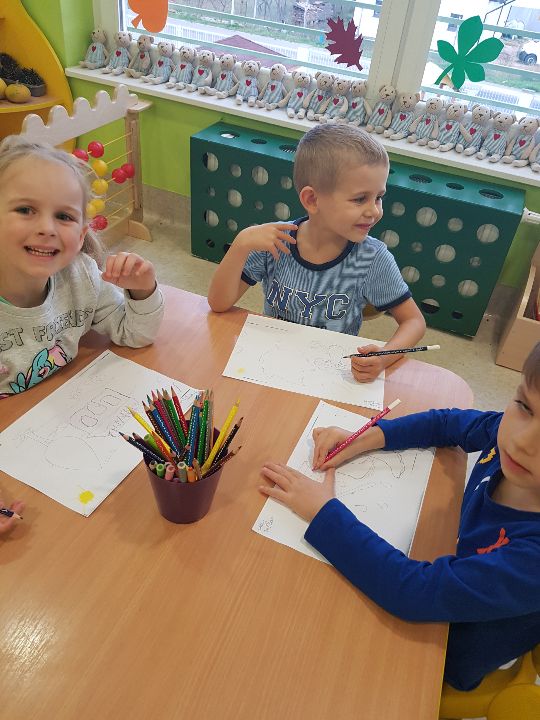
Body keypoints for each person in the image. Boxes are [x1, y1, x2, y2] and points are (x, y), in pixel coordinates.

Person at [259, 342, 540, 691]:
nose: (523, 440)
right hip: (448, 581)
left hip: (444, 656)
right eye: (525, 406)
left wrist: (323, 513)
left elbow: (413, 592)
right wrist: (366, 438)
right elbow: (447, 423)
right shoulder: (510, 440)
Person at [207, 124, 425, 382]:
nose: (374, 211)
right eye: (359, 199)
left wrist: (384, 357)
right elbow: (219, 304)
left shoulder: (372, 258)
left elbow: (414, 322)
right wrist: (241, 244)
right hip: (271, 364)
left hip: (330, 376)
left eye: (379, 197)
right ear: (312, 200)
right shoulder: (275, 241)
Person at [0, 135, 164, 398]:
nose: (47, 228)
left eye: (63, 216)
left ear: (80, 236)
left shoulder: (82, 277)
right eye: (25, 210)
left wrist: (143, 290)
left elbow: (135, 334)